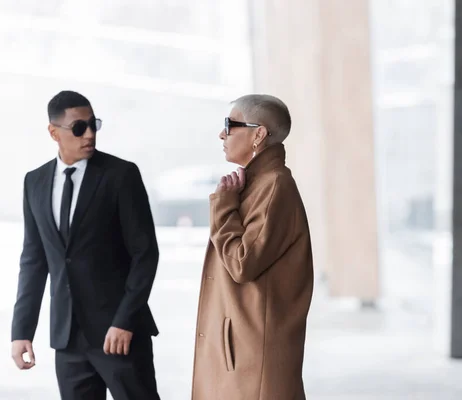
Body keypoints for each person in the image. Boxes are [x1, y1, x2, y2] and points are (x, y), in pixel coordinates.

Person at [10, 90, 161, 400]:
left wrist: (124, 322)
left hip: (120, 336)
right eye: (79, 127)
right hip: (68, 339)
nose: (90, 134)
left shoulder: (121, 175)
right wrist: (22, 331)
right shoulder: (34, 182)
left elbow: (145, 255)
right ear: (54, 132)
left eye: (94, 124)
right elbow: (33, 261)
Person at [191, 94, 314, 400]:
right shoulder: (256, 184)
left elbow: (242, 264)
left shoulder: (274, 186)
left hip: (251, 354)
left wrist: (223, 208)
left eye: (229, 125)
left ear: (258, 134)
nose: (222, 134)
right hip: (242, 347)